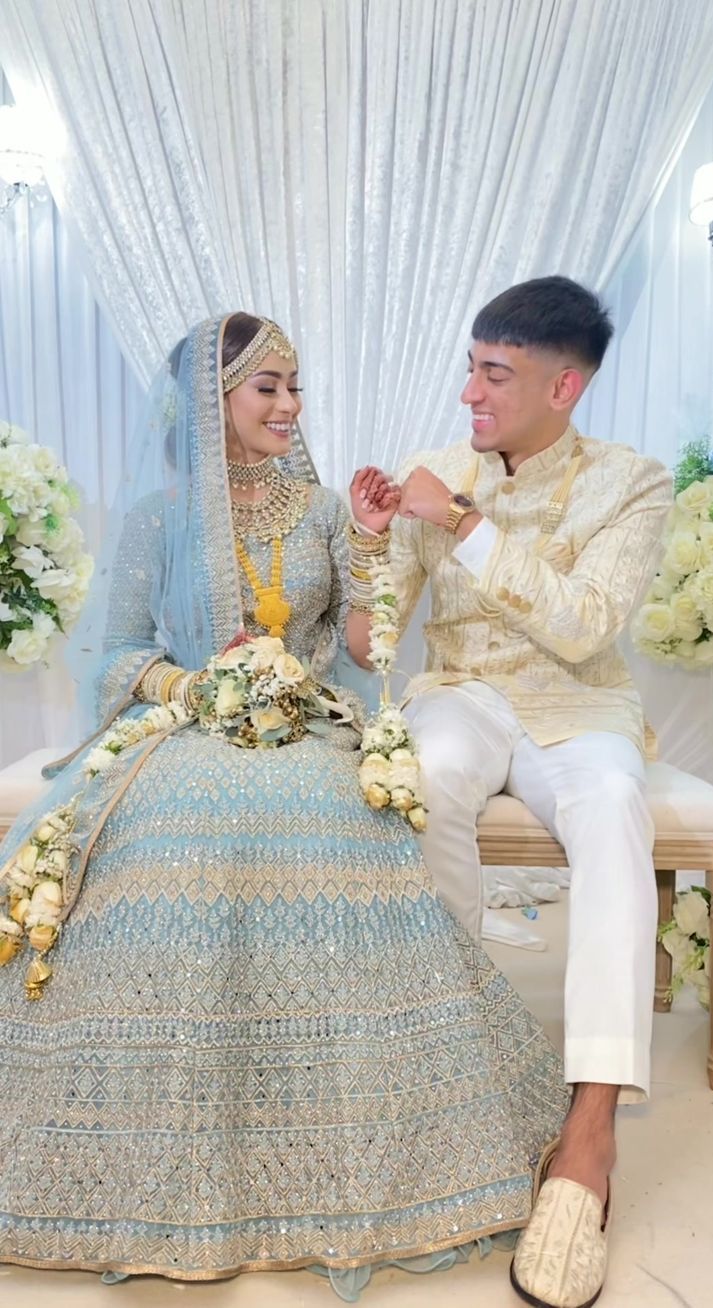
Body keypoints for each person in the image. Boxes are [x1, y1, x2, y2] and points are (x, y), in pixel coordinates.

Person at [0, 312, 568, 1297]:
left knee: (341, 843)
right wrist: (191, 687)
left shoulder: (316, 509)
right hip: (183, 736)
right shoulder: (157, 520)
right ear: (206, 405)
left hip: (306, 728)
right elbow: (120, 658)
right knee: (186, 843)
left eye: (294, 386)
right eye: (267, 388)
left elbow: (363, 644)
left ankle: (335, 1134)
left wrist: (369, 546)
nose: (290, 406)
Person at [348, 276, 673, 1308]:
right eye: (472, 367)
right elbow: (374, 643)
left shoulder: (632, 482)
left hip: (579, 707)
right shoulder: (432, 473)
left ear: (563, 386)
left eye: (495, 374)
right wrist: (372, 547)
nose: (469, 394)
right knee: (426, 770)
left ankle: (588, 1136)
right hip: (463, 697)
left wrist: (471, 529)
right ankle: (464, 1058)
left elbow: (584, 625)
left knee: (615, 808)